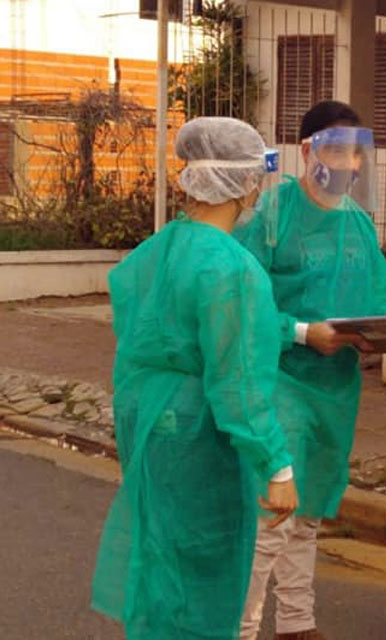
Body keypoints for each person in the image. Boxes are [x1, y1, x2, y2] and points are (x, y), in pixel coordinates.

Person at [235, 100, 386, 640]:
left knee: (308, 511)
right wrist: (303, 332)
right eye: (336, 150)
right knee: (272, 512)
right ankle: (241, 628)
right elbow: (240, 305)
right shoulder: (271, 215)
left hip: (334, 388)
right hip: (279, 378)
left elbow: (374, 298)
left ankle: (296, 623)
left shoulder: (356, 221)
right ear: (307, 151)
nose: (349, 163)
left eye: (356, 153)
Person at [91, 116, 299, 639]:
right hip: (199, 432)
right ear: (246, 184)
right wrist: (276, 466)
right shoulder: (233, 268)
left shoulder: (153, 251)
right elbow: (238, 381)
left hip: (148, 416)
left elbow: (142, 340)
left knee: (160, 556)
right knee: (205, 568)